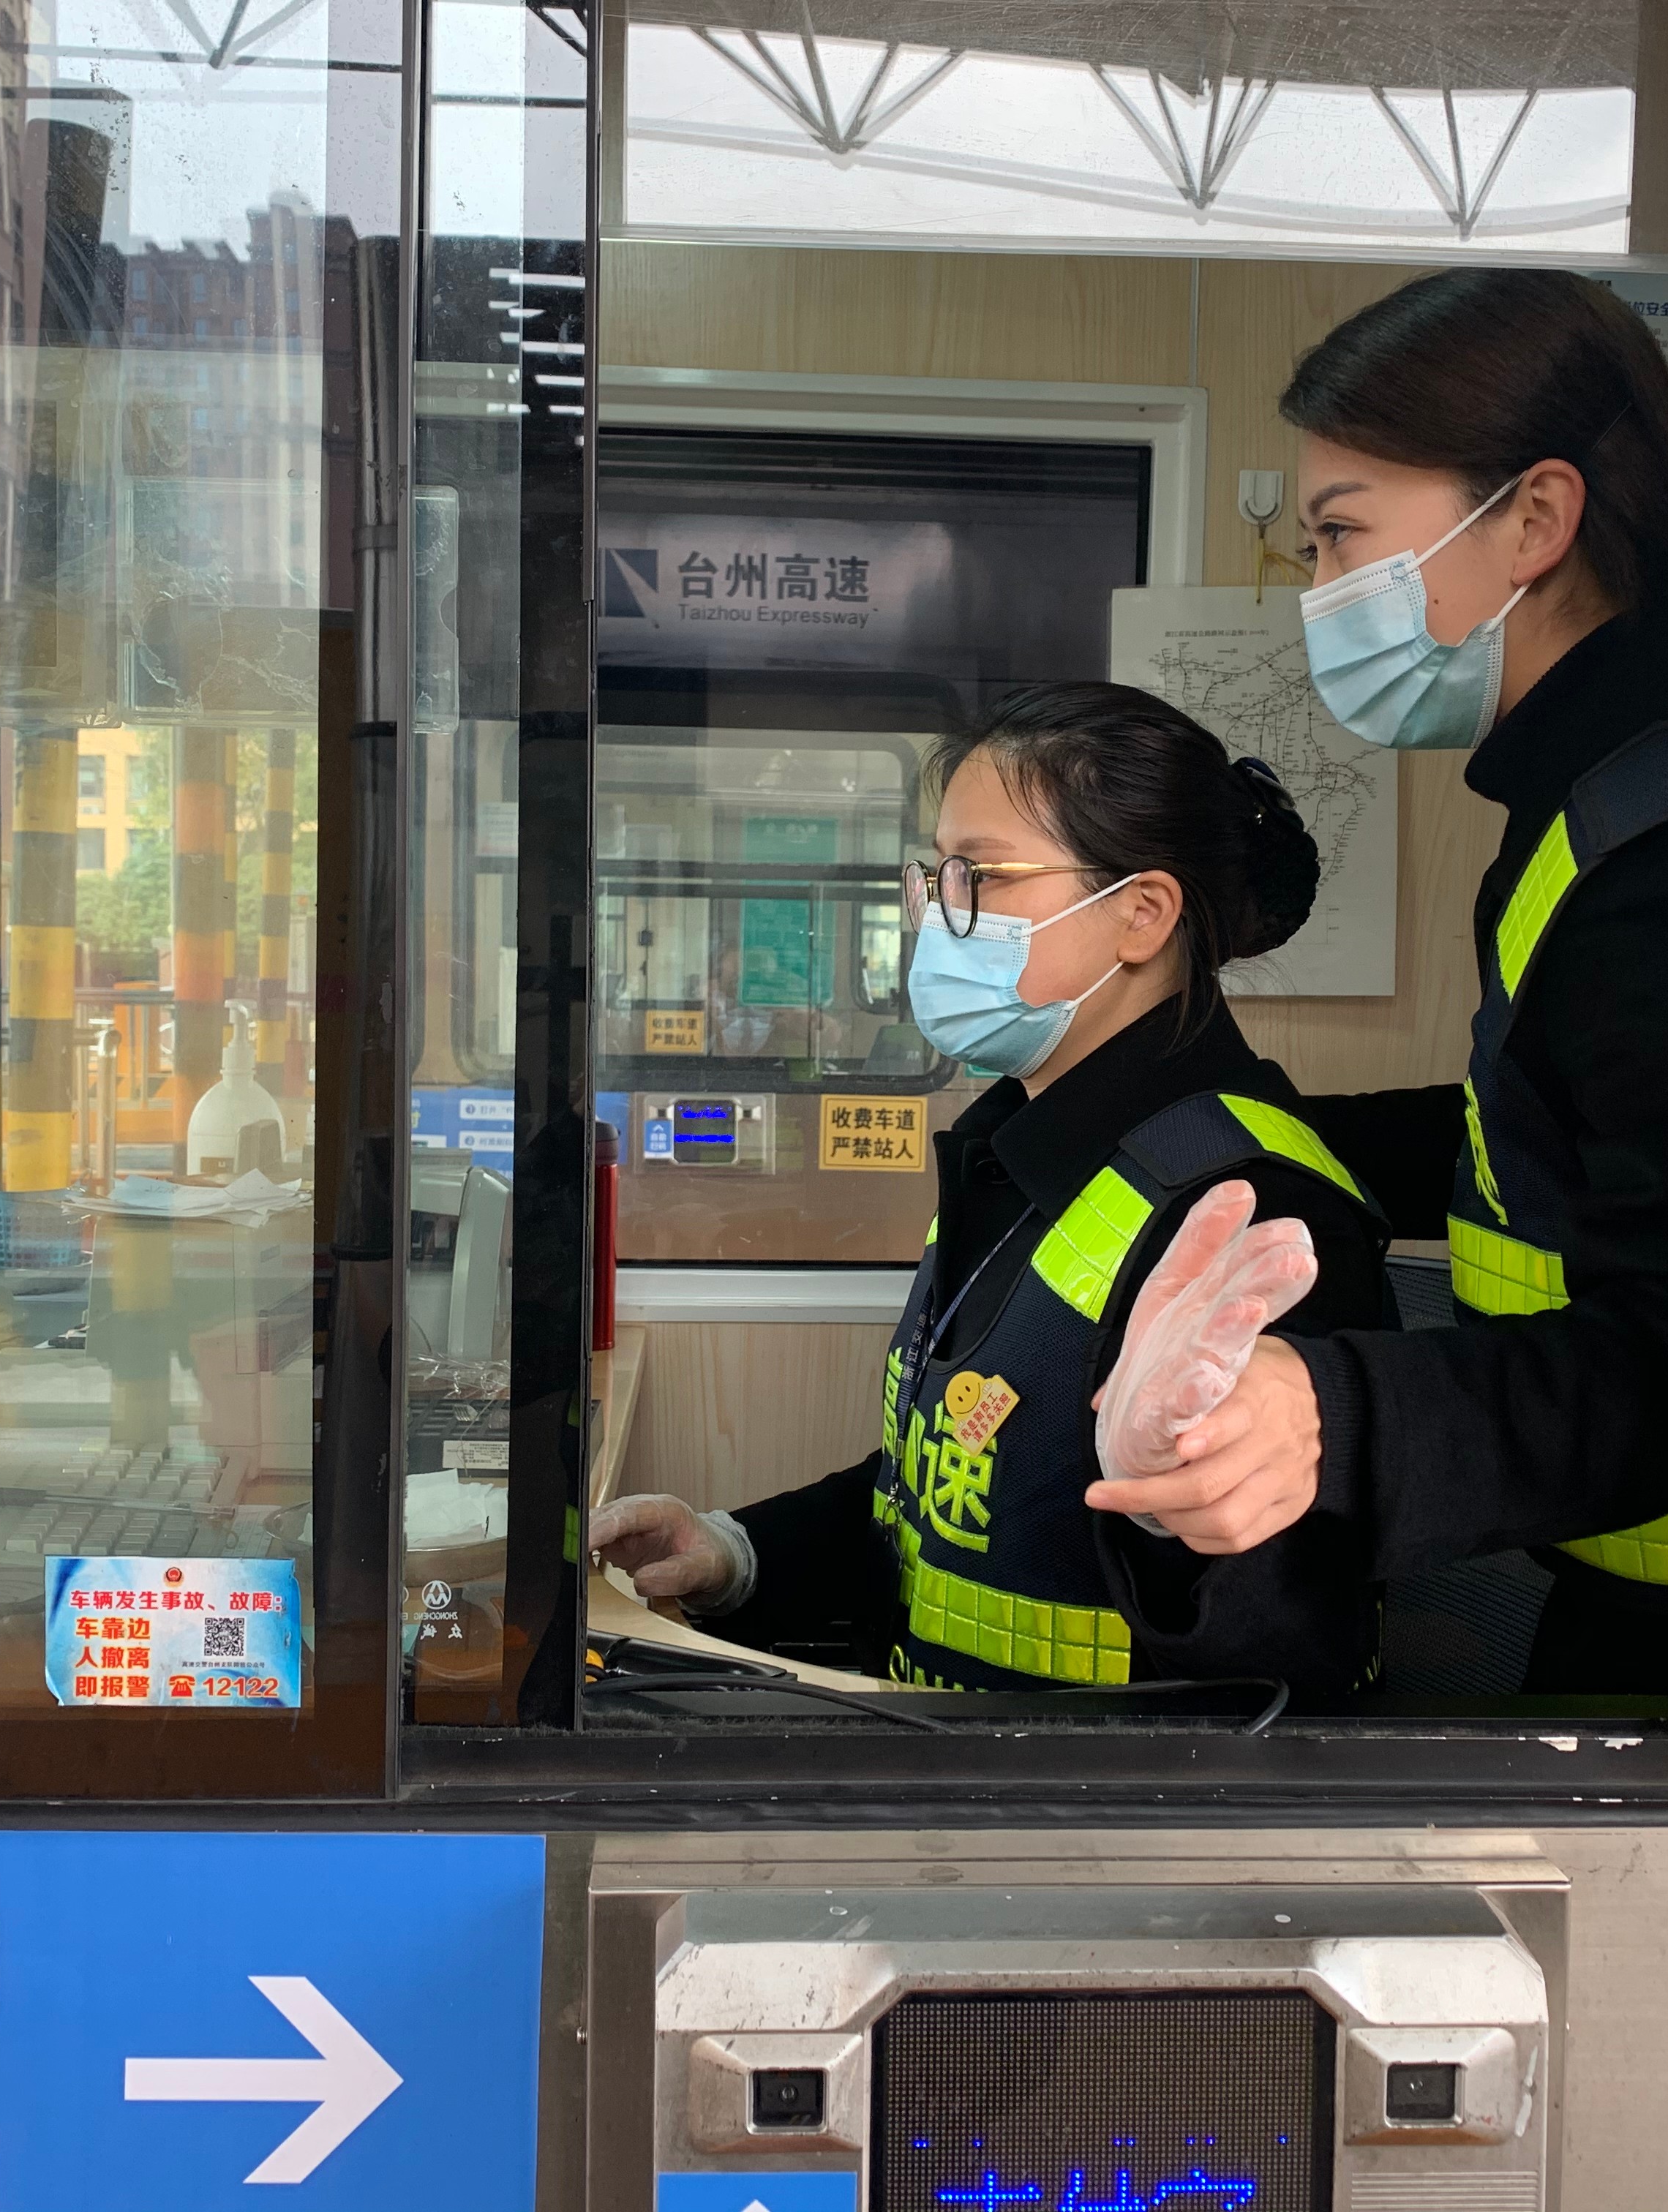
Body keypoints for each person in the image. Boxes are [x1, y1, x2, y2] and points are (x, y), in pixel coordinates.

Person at [1089, 268, 1668, 1697]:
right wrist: (1260, 1142)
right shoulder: (1594, 795)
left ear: (1536, 520)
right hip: (1627, 1584)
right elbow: (1547, 1132)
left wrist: (1329, 1416)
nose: (1319, 592)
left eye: (1340, 535)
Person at [590, 683, 1395, 1696]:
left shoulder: (1250, 1208)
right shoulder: (1018, 1150)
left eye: (982, 876)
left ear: (1141, 915)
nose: (937, 914)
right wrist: (736, 1553)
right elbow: (958, 1492)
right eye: (935, 874)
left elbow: (1274, 1666)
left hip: (1079, 1787)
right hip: (938, 1745)